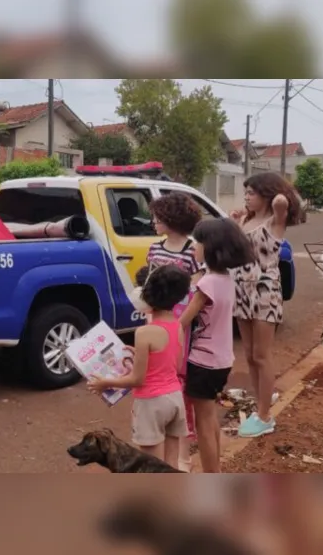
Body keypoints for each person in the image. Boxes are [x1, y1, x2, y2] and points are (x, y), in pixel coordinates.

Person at [88, 265, 192, 468]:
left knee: (150, 466)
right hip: (174, 398)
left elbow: (137, 380)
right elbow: (176, 364)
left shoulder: (145, 332)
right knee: (170, 464)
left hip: (151, 403)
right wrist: (143, 356)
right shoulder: (178, 325)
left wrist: (105, 382)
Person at [179, 218, 255, 473]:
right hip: (222, 360)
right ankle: (216, 472)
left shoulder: (206, 284)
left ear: (210, 247)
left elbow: (181, 323)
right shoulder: (226, 279)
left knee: (204, 425)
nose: (193, 248)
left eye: (197, 243)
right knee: (210, 418)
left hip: (203, 360)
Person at [229, 172, 301, 438]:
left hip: (264, 292)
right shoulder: (247, 220)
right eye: (245, 192)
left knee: (262, 355)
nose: (246, 197)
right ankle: (261, 401)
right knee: (248, 354)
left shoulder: (275, 220)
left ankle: (264, 416)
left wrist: (278, 195)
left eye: (251, 192)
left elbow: (283, 202)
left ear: (266, 195)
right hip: (241, 290)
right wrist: (235, 222)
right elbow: (237, 250)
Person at [146, 191, 204, 471]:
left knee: (179, 383)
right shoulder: (154, 248)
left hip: (182, 326)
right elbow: (149, 285)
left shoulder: (195, 250)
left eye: (158, 216)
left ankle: (184, 452)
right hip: (156, 323)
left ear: (172, 218)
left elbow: (197, 291)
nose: (153, 221)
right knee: (160, 381)